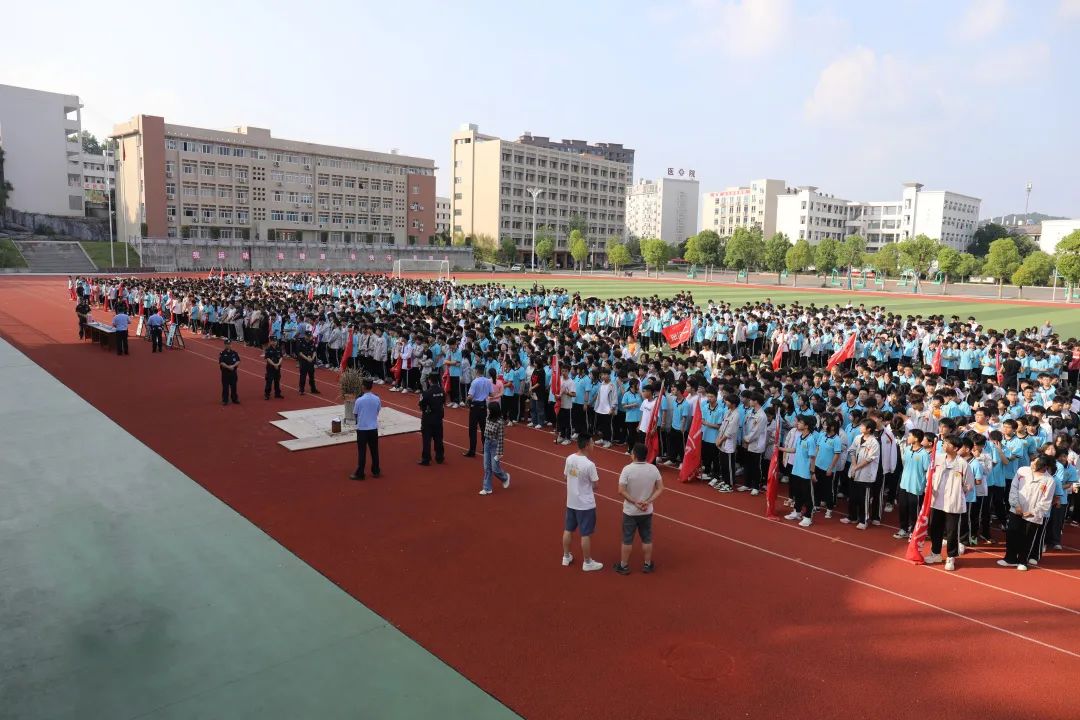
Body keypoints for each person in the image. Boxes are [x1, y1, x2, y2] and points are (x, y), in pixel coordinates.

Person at [998, 455, 1057, 571]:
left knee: (1027, 537)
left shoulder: (1049, 481)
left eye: (1035, 463)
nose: (1032, 464)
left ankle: (1023, 560)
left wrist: (1032, 512)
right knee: (1012, 533)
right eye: (1032, 461)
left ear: (1044, 466)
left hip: (1033, 515)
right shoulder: (1022, 471)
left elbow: (1045, 502)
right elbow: (1014, 488)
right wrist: (1016, 505)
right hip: (1017, 510)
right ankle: (1010, 559)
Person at [613, 443, 664, 575]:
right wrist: (647, 501)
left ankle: (624, 565)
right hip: (646, 510)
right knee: (647, 538)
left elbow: (621, 490)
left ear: (634, 455)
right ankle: (647, 564)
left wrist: (635, 502)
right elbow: (660, 488)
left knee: (627, 539)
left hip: (630, 511)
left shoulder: (627, 469)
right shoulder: (653, 469)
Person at [925, 436, 974, 571]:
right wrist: (930, 487)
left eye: (947, 443)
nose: (944, 444)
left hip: (953, 503)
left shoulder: (963, 464)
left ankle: (951, 557)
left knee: (952, 532)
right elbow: (929, 474)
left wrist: (958, 493)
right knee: (935, 529)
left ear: (955, 448)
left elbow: (969, 485)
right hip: (937, 501)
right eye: (944, 442)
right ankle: (935, 553)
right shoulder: (938, 459)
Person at [562, 435, 604, 572]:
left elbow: (566, 476)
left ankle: (566, 556)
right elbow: (596, 485)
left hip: (571, 502)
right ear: (586, 445)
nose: (593, 445)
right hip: (585, 504)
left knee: (568, 530)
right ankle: (587, 562)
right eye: (592, 443)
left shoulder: (569, 458)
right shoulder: (589, 465)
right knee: (585, 534)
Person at [350, 378, 381, 480]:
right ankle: (376, 470)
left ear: (363, 387)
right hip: (373, 428)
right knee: (374, 451)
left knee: (362, 451)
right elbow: (378, 410)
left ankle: (360, 473)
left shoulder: (359, 400)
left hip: (362, 429)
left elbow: (355, 413)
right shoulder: (377, 398)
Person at [479, 403, 510, 495]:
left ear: (493, 410)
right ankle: (487, 488)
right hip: (487, 443)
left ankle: (505, 477)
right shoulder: (488, 417)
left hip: (495, 445)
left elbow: (500, 438)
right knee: (487, 467)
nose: (487, 410)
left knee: (495, 468)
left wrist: (499, 453)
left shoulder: (500, 422)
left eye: (488, 409)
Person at [463, 363, 493, 457]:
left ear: (476, 370)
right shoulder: (488, 381)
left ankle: (472, 451)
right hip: (483, 406)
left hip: (475, 407)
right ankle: (486, 449)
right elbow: (491, 394)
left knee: (472, 429)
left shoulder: (475, 382)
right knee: (484, 428)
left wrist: (467, 400)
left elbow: (470, 396)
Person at [418, 373, 445, 466]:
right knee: (438, 438)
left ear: (429, 380)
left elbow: (421, 406)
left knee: (426, 439)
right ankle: (440, 456)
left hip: (428, 419)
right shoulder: (442, 391)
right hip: (438, 418)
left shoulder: (426, 393)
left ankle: (426, 459)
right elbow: (443, 402)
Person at [218, 339, 240, 405]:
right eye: (227, 344)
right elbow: (221, 363)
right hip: (225, 373)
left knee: (234, 387)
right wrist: (228, 367)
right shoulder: (222, 353)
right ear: (225, 345)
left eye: (230, 344)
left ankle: (234, 399)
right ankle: (225, 400)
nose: (229, 345)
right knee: (225, 387)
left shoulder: (234, 353)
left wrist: (233, 366)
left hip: (233, 373)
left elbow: (238, 361)